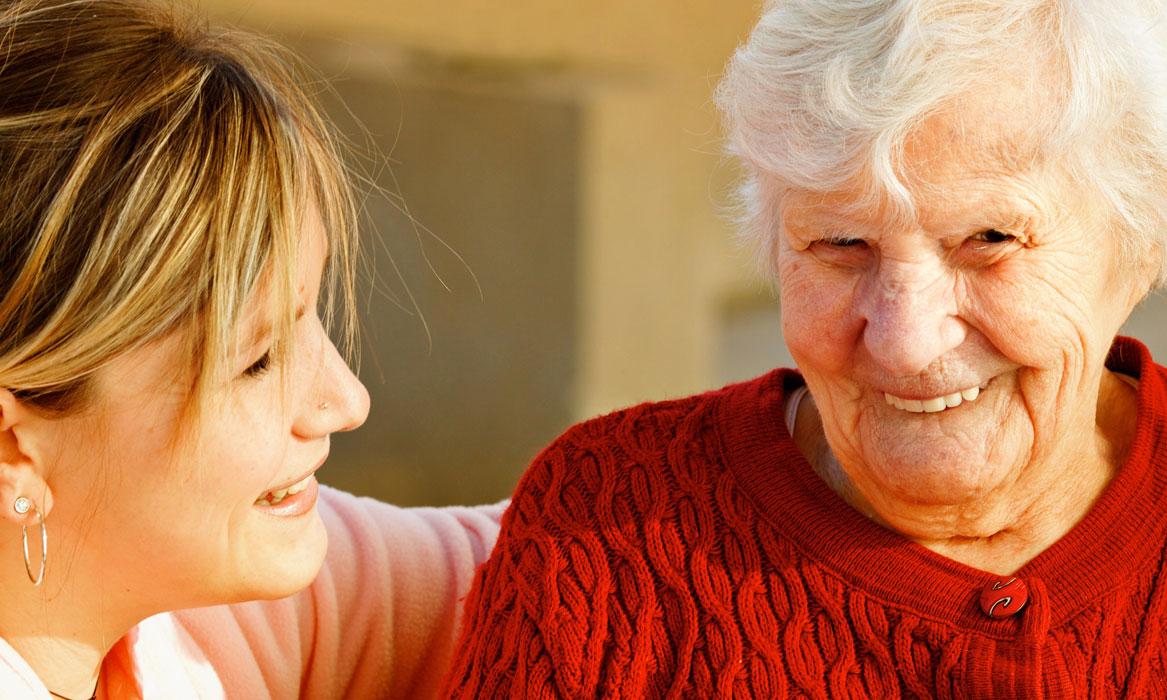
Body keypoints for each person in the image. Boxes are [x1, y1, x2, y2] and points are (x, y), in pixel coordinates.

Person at [445, 1, 1167, 697]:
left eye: (989, 240)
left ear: (1139, 244)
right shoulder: (605, 528)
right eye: (841, 244)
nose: (905, 341)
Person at [0, 1, 503, 697]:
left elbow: (578, 545)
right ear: (10, 446)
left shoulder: (211, 610)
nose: (347, 401)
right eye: (256, 361)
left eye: (313, 315)